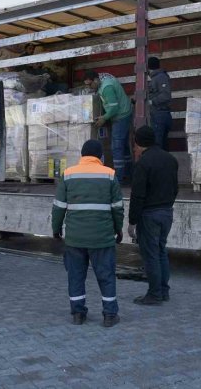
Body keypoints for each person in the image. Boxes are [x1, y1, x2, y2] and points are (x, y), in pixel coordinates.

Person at [51, 140, 124, 328]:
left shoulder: (68, 175)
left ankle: (78, 314)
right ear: (100, 157)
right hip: (102, 238)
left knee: (76, 276)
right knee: (106, 276)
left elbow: (58, 207)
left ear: (82, 155)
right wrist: (118, 229)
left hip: (75, 238)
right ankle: (109, 315)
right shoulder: (109, 175)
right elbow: (117, 208)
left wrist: (56, 229)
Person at [128, 126, 178, 305]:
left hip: (150, 214)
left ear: (139, 143)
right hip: (167, 212)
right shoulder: (171, 159)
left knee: (151, 255)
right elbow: (175, 188)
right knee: (161, 252)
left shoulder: (143, 163)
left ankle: (154, 294)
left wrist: (132, 221)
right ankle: (163, 291)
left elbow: (138, 194)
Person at [83, 70, 133, 182]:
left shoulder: (106, 88)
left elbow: (114, 108)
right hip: (123, 113)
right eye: (87, 85)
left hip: (121, 116)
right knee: (123, 147)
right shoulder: (102, 82)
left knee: (116, 147)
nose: (89, 87)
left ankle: (118, 179)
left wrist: (104, 118)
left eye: (90, 84)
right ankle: (129, 174)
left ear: (96, 80)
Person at [147, 56, 173, 151]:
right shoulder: (158, 78)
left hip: (160, 114)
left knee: (158, 143)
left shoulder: (160, 77)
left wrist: (151, 101)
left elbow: (166, 95)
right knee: (162, 143)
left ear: (148, 68)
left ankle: (160, 164)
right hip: (161, 114)